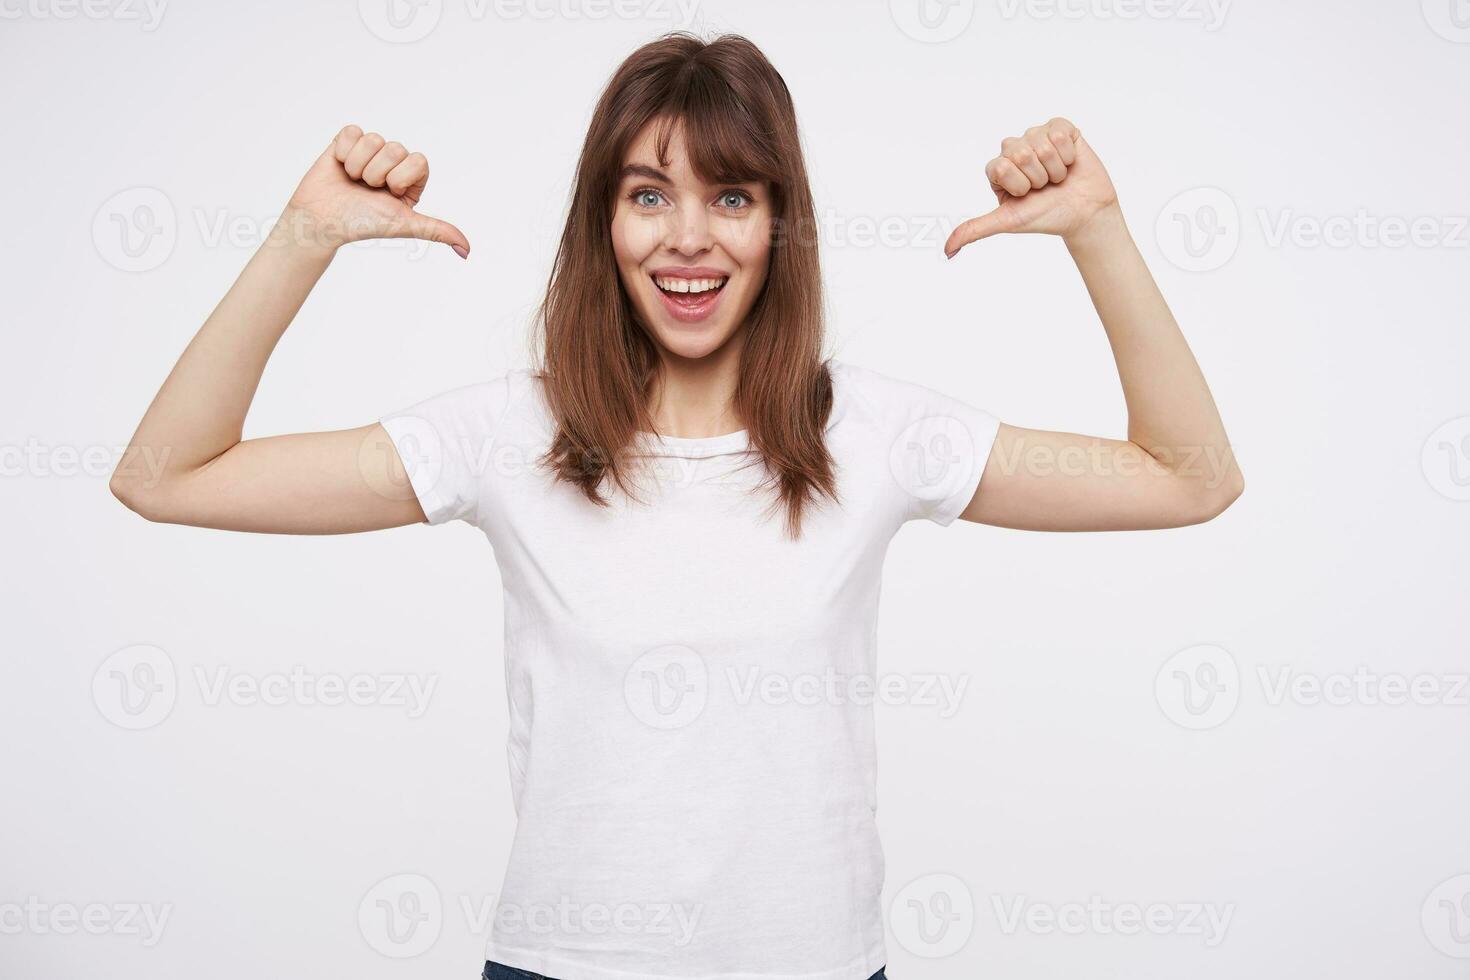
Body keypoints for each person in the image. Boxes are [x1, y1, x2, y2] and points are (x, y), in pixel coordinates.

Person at [110, 31, 1242, 980]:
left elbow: (1190, 476)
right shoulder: (508, 435)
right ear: (603, 223)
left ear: (776, 224)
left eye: (731, 196)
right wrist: (304, 237)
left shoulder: (879, 432)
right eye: (649, 194)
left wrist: (1096, 229)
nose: (689, 237)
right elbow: (166, 472)